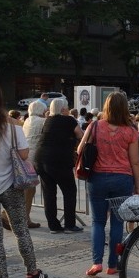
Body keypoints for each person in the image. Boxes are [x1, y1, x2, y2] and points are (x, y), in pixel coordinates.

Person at [0, 81, 48, 278]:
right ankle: (32, 271)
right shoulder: (12, 128)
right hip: (11, 185)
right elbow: (24, 155)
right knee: (20, 230)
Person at [79, 92, 139, 276]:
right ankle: (113, 265)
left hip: (98, 177)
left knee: (98, 221)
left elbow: (80, 148)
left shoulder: (95, 126)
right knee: (117, 222)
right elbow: (135, 161)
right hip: (123, 179)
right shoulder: (130, 131)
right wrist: (137, 186)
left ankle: (96, 262)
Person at [34, 98, 83, 234]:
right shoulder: (69, 120)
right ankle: (69, 225)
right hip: (59, 160)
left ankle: (53, 226)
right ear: (63, 109)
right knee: (69, 191)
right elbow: (80, 135)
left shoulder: (48, 120)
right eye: (67, 107)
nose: (68, 109)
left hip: (41, 159)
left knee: (49, 193)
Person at [21, 100, 48, 228]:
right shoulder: (42, 121)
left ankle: (25, 217)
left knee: (28, 189)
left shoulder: (27, 121)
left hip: (24, 157)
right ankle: (23, 218)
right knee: (29, 190)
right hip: (35, 158)